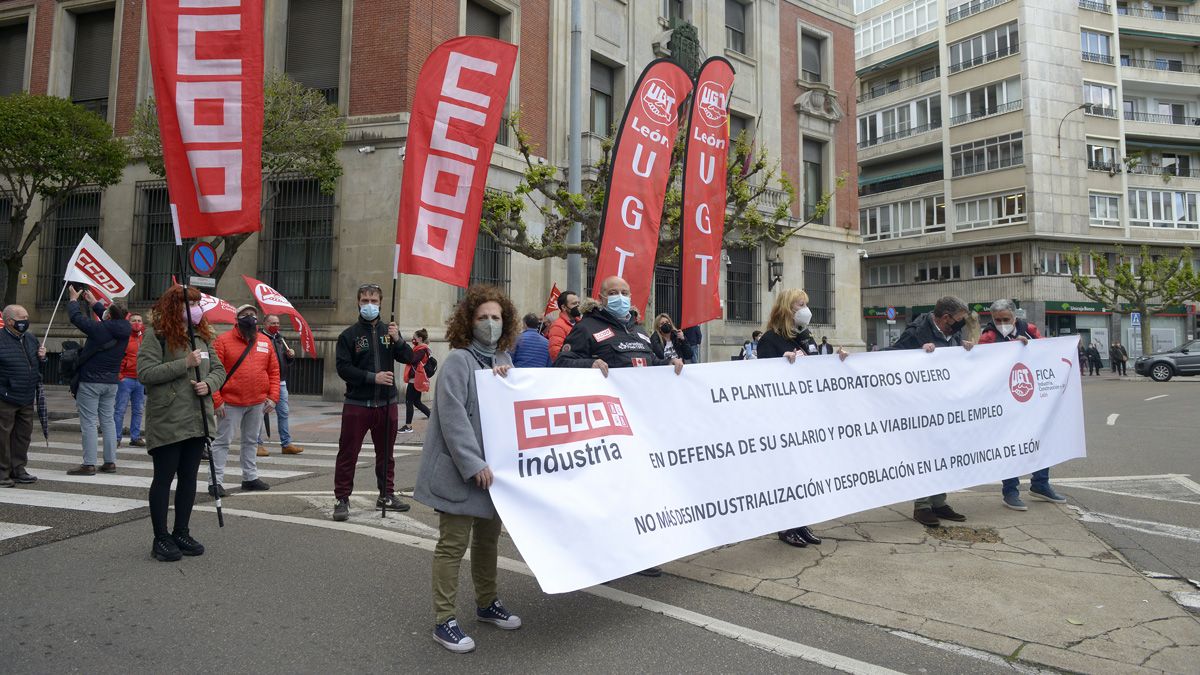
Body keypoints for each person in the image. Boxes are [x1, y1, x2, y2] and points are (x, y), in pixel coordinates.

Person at [414, 285, 523, 653]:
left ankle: (486, 603)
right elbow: (452, 415)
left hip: (496, 474)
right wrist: (473, 462)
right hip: (463, 472)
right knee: (452, 545)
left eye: (496, 317)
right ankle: (444, 620)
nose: (490, 324)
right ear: (468, 322)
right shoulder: (459, 361)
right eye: (482, 318)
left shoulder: (504, 360)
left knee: (488, 540)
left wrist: (510, 385)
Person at [556, 275, 683, 576]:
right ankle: (601, 558)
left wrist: (670, 367)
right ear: (601, 296)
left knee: (638, 492)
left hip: (640, 428)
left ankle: (639, 553)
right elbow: (560, 366)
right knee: (606, 495)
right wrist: (588, 365)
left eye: (624, 292)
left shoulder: (639, 332)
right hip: (604, 430)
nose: (620, 297)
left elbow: (650, 366)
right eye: (613, 292)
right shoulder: (586, 328)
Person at [137, 285, 227, 562]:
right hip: (168, 417)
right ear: (175, 307)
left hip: (197, 416)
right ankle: (160, 537)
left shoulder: (202, 335)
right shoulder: (157, 335)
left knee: (189, 477)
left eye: (199, 302)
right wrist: (184, 364)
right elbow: (145, 373)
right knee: (164, 478)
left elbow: (219, 369)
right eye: (191, 303)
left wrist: (208, 384)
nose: (198, 308)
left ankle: (181, 531)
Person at [756, 289, 847, 547]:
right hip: (783, 418)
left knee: (805, 471)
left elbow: (815, 369)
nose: (806, 308)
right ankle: (786, 526)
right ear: (787, 308)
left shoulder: (805, 337)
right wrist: (779, 364)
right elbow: (760, 379)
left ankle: (801, 521)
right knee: (788, 473)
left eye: (806, 303)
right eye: (800, 304)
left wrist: (836, 360)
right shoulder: (770, 340)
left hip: (806, 415)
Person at [332, 283, 415, 521]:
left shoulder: (388, 332)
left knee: (386, 454)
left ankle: (386, 494)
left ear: (381, 303)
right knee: (348, 453)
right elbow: (343, 368)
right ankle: (342, 498)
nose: (370, 305)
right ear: (358, 302)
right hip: (358, 404)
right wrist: (372, 377)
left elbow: (409, 358)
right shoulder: (348, 335)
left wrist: (398, 339)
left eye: (374, 301)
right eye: (365, 300)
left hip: (386, 404)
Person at [889, 295, 974, 527]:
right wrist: (916, 353)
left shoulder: (953, 333)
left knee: (944, 453)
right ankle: (922, 505)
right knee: (926, 455)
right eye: (959, 320)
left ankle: (939, 501)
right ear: (946, 317)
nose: (961, 324)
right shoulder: (917, 332)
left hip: (945, 405)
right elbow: (891, 357)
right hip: (922, 406)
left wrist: (964, 349)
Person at [978, 299, 1067, 510]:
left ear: (1014, 316)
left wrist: (1031, 347)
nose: (1002, 323)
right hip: (1003, 400)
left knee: (1040, 439)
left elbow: (1048, 352)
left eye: (1005, 319)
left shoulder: (1029, 330)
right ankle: (1010, 490)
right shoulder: (988, 337)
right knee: (1009, 444)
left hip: (1031, 398)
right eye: (997, 320)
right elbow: (979, 364)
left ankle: (1040, 484)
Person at [210, 304, 279, 496]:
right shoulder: (222, 341)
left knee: (250, 441)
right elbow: (213, 372)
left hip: (257, 402)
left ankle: (250, 477)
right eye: (245, 314)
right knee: (222, 442)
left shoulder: (265, 341)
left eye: (253, 315)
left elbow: (273, 371)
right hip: (229, 402)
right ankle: (215, 482)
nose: (250, 317)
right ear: (236, 319)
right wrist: (217, 400)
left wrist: (273, 397)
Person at [66, 286, 131, 476]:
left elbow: (76, 318)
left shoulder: (99, 329)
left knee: (88, 422)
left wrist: (72, 300)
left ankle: (89, 464)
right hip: (111, 382)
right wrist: (94, 303)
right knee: (108, 421)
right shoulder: (125, 329)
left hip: (91, 381)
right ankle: (110, 462)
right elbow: (109, 317)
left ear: (109, 316)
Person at [0, 304, 46, 487]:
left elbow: (36, 365)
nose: (26, 322)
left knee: (22, 435)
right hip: (6, 396)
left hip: (26, 395)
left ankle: (18, 468)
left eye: (27, 318)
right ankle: (2, 472)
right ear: (10, 321)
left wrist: (43, 358)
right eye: (22, 319)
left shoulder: (30, 338)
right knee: (3, 437)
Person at [255, 315, 303, 456]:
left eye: (277, 323)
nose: (275, 325)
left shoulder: (280, 339)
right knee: (259, 413)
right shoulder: (258, 339)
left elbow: (284, 362)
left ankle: (286, 443)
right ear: (265, 323)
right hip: (264, 381)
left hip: (280, 381)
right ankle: (257, 444)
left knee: (283, 412)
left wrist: (290, 357)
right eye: (272, 323)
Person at [114, 313, 146, 448]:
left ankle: (135, 437)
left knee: (138, 410)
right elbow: (117, 355)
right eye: (134, 320)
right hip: (126, 378)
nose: (137, 323)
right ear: (129, 322)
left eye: (139, 320)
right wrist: (120, 375)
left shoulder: (144, 338)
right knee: (120, 409)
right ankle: (116, 437)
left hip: (140, 379)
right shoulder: (124, 337)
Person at [400, 328, 432, 434]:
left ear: (420, 338)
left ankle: (408, 426)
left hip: (415, 379)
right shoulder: (421, 349)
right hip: (417, 378)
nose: (412, 339)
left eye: (414, 337)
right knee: (417, 402)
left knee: (409, 401)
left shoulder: (421, 350)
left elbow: (411, 359)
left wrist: (405, 349)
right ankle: (432, 418)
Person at [546, 290, 580, 362]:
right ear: (564, 307)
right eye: (574, 303)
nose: (578, 306)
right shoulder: (557, 326)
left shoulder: (581, 323)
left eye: (578, 303)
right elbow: (556, 354)